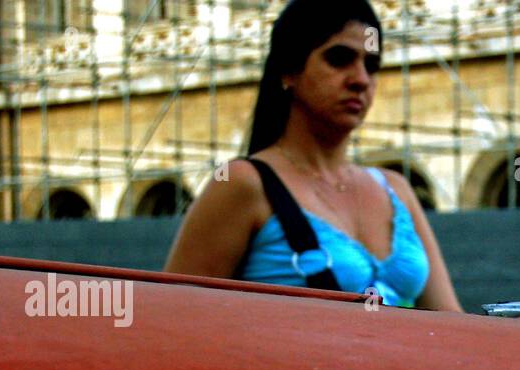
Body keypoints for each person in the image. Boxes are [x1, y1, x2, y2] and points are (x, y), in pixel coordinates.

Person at [164, 0, 462, 312]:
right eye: (339, 59)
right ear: (289, 71)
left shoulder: (396, 189)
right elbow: (174, 320)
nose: (360, 80)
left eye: (371, 65)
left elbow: (452, 323)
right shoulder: (243, 183)